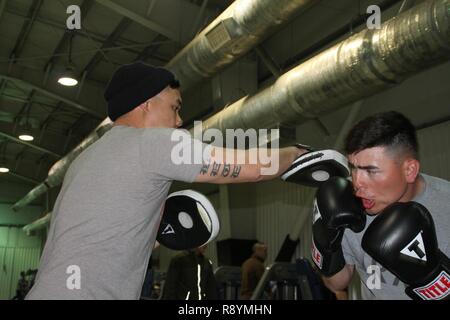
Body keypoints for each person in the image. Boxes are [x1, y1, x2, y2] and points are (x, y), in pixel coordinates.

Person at [26, 62, 305, 299]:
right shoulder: (153, 143)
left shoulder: (84, 160)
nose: (179, 120)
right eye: (175, 107)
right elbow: (252, 168)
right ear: (147, 104)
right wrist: (298, 155)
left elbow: (112, 237)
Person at [315, 111, 450, 300]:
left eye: (371, 171)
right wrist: (325, 241)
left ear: (409, 170)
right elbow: (336, 284)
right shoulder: (349, 208)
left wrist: (434, 282)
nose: (357, 184)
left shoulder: (446, 206)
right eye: (354, 168)